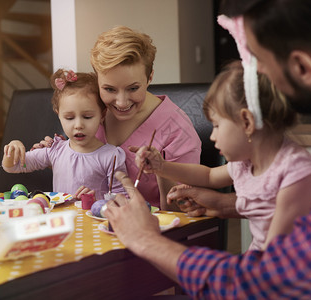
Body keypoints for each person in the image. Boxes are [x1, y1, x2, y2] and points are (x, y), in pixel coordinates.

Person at [103, 0, 311, 298]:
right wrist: (227, 205)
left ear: (302, 67)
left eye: (257, 61)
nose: (255, 76)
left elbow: (269, 286)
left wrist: (145, 239)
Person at [135, 60, 311, 251]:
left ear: (247, 122)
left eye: (216, 125)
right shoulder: (247, 162)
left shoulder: (296, 173)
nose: (212, 135)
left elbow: (276, 257)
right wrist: (162, 167)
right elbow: (208, 176)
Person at [31, 25, 201, 210]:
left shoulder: (177, 130)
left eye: (133, 88)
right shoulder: (91, 112)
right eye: (109, 89)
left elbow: (183, 211)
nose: (121, 102)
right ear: (97, 80)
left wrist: (162, 170)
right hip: (92, 227)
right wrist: (64, 156)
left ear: (149, 77)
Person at [2, 69, 127, 200]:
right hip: (60, 220)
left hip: (94, 220)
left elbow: (124, 199)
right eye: (69, 118)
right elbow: (13, 166)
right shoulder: (55, 150)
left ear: (102, 115)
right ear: (59, 115)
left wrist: (96, 201)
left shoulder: (112, 156)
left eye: (87, 116)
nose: (78, 125)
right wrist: (13, 148)